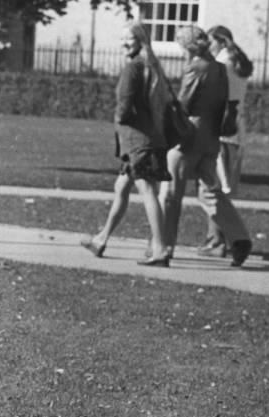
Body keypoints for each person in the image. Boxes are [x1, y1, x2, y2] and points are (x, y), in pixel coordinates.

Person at [159, 25, 253, 267]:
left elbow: (185, 105)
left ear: (187, 46)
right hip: (210, 139)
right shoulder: (220, 68)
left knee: (171, 194)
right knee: (209, 191)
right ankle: (239, 237)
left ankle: (164, 247)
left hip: (188, 138)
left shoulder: (196, 67)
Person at [81, 21, 172, 267]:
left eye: (129, 38)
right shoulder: (152, 66)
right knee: (121, 188)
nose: (124, 43)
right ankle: (101, 239)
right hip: (145, 140)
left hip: (138, 142)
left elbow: (125, 104)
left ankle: (161, 249)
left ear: (140, 40)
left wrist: (120, 117)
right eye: (122, 38)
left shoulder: (134, 67)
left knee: (148, 191)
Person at [198, 25, 254, 257]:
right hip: (235, 133)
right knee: (217, 188)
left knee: (211, 189)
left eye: (210, 42)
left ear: (220, 42)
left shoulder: (222, 64)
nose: (207, 47)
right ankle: (218, 239)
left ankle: (220, 241)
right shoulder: (238, 63)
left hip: (220, 132)